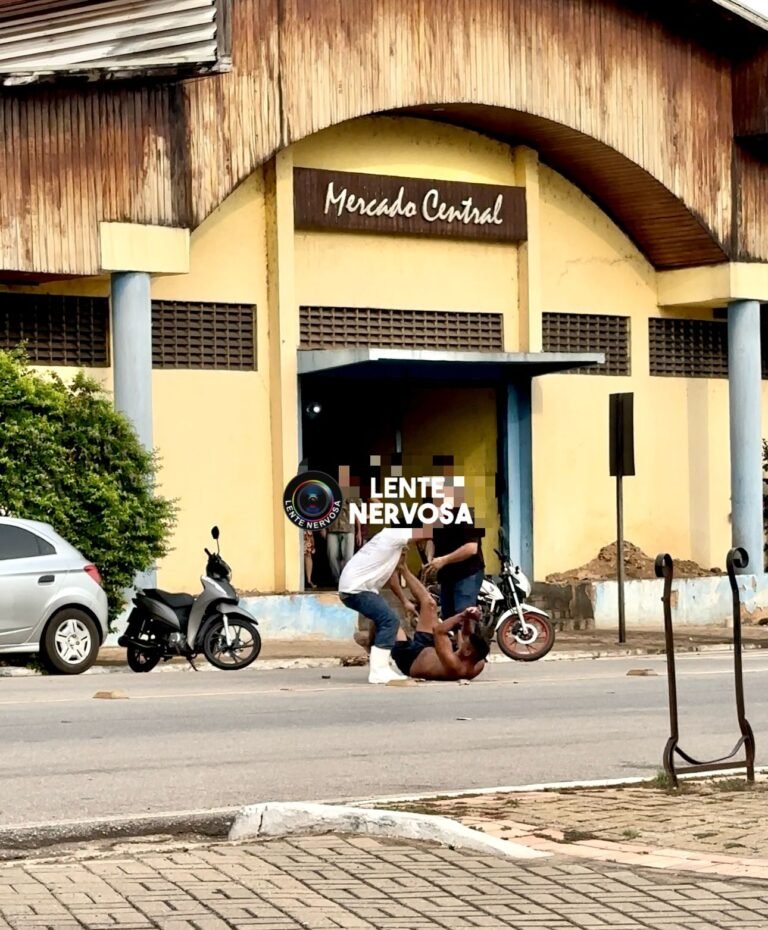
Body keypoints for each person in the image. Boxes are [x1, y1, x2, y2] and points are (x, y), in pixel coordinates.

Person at [338, 527, 419, 684]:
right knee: (390, 621)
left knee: (383, 619)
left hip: (355, 589)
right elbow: (429, 532)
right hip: (356, 589)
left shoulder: (389, 543)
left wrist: (405, 601)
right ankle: (378, 670)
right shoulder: (395, 534)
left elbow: (393, 579)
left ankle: (381, 664)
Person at [392, 557, 489, 681]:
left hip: (410, 659)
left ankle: (369, 640)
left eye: (466, 644)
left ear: (467, 652)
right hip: (428, 647)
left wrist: (462, 615)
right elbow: (467, 635)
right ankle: (403, 568)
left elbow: (439, 631)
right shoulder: (477, 663)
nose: (463, 640)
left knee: (389, 621)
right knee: (429, 603)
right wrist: (469, 618)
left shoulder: (454, 665)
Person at [425, 484, 485, 619]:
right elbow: (430, 540)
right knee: (448, 617)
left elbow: (471, 548)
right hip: (447, 575)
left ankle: (466, 640)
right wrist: (430, 559)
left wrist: (443, 560)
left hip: (467, 573)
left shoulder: (468, 514)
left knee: (462, 615)